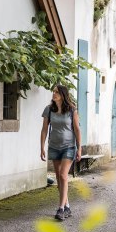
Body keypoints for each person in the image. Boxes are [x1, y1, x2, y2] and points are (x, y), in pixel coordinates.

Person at [40, 84, 82, 221]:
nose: (54, 94)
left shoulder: (71, 110)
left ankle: (61, 208)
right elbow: (44, 130)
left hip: (68, 147)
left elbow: (77, 130)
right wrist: (42, 146)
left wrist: (79, 148)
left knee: (63, 175)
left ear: (63, 95)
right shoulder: (49, 110)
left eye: (56, 92)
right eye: (53, 92)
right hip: (54, 146)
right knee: (58, 176)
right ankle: (67, 205)